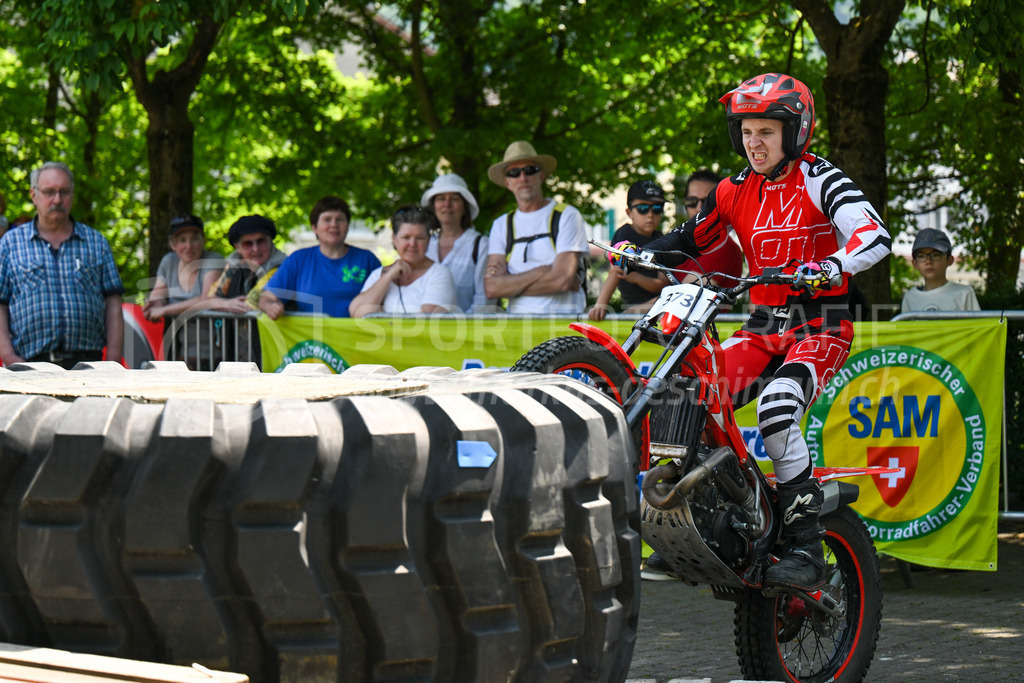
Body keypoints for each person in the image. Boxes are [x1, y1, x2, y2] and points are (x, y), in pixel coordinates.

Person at [620, 73, 892, 590]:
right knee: (688, 393)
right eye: (746, 131)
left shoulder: (821, 179)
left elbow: (875, 235)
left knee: (778, 407)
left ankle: (809, 546)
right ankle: (700, 526)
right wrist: (644, 251)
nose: (754, 143)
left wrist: (833, 265)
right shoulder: (733, 188)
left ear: (796, 131)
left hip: (821, 325)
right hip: (764, 325)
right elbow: (690, 240)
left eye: (766, 131)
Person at [0, 162, 124, 368]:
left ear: (72, 195)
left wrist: (113, 358)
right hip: (28, 366)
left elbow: (113, 303)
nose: (57, 199)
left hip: (90, 365)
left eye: (64, 192)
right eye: (49, 192)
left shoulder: (96, 242)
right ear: (34, 195)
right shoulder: (9, 244)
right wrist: (9, 357)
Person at [484, 141, 589, 314]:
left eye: (529, 170)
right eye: (514, 173)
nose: (523, 177)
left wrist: (509, 285)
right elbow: (492, 288)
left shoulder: (567, 216)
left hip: (563, 329)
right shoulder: (502, 224)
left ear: (541, 176)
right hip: (518, 329)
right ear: (507, 182)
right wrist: (540, 271)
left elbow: (562, 281)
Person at [259, 196, 380, 319]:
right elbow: (266, 297)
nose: (333, 225)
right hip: (311, 336)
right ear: (314, 227)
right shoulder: (299, 260)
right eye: (327, 219)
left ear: (348, 225)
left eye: (340, 220)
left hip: (358, 336)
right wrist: (271, 306)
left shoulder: (367, 260)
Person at [143, 214, 228, 369]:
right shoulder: (169, 262)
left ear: (203, 241)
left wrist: (163, 310)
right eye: (182, 240)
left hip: (220, 353)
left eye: (194, 239)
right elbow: (159, 294)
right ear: (173, 244)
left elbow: (206, 300)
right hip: (182, 352)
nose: (189, 246)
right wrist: (153, 303)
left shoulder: (213, 260)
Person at [350, 206, 457, 317]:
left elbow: (425, 323)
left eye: (420, 238)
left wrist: (379, 314)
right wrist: (388, 277)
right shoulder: (379, 274)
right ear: (394, 239)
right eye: (406, 237)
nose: (412, 244)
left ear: (428, 240)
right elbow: (356, 313)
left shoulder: (439, 274)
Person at [589, 180, 672, 321]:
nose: (650, 214)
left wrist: (636, 278)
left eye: (657, 208)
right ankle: (634, 311)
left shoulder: (663, 240)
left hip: (660, 301)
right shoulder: (624, 235)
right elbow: (615, 272)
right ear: (629, 212)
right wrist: (600, 306)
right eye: (643, 208)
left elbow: (661, 284)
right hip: (640, 305)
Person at [421, 173, 495, 313]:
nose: (447, 205)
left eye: (454, 199)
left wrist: (460, 328)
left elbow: (484, 300)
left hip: (468, 331)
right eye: (441, 199)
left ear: (465, 207)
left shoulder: (479, 245)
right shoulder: (425, 244)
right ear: (434, 206)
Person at [208, 214, 287, 309]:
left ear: (271, 241)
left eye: (261, 241)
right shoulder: (233, 266)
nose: (256, 249)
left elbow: (250, 304)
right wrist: (226, 304)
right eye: (247, 244)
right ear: (237, 247)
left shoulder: (282, 267)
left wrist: (223, 304)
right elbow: (210, 299)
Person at [901, 228, 981, 312]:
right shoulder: (910, 298)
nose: (928, 261)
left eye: (935, 255)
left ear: (949, 260)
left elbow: (977, 324)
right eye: (921, 256)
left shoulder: (964, 293)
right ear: (915, 263)